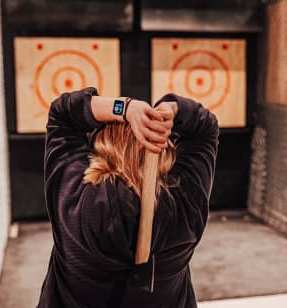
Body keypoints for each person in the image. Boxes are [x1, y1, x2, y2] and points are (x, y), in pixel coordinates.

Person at [37, 86, 220, 308]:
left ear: (102, 146)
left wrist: (124, 108)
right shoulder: (185, 205)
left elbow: (63, 113)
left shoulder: (76, 202)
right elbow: (206, 127)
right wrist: (169, 111)